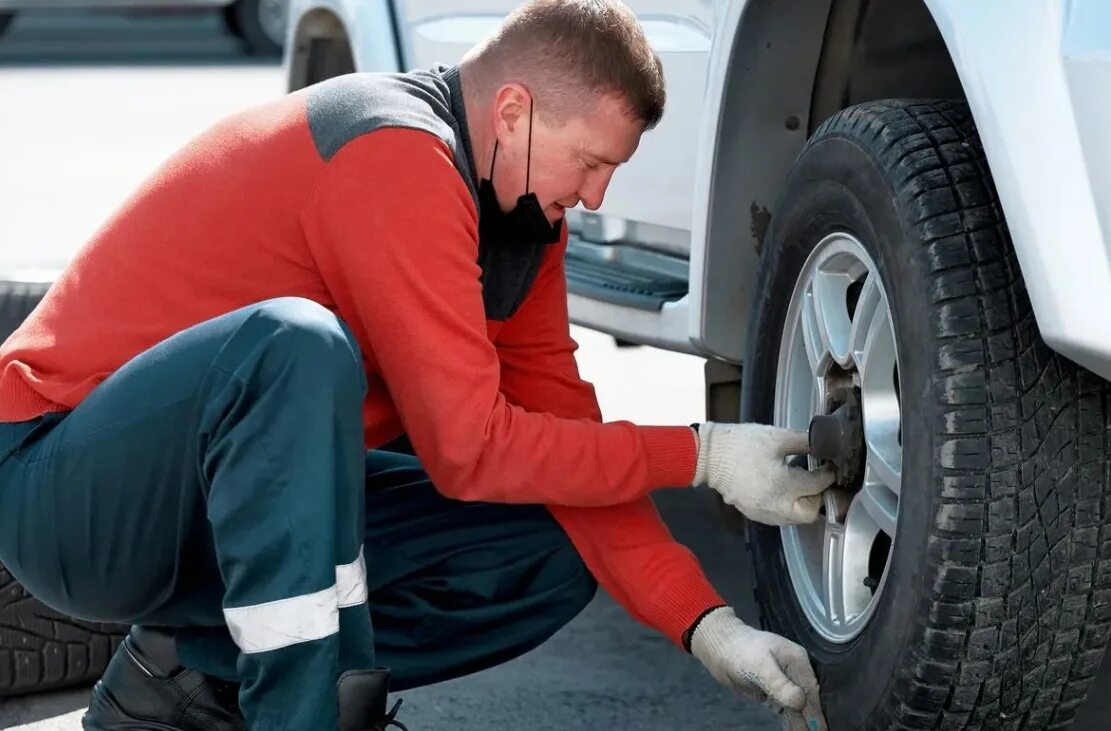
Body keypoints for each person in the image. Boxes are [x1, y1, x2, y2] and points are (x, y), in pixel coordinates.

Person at [0, 0, 833, 728]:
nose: (596, 197)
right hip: (64, 483)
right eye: (588, 162)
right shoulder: (391, 154)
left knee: (548, 545)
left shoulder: (519, 227)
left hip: (210, 503)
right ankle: (300, 717)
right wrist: (704, 453)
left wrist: (707, 623)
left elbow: (564, 444)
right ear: (513, 111)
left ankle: (182, 682)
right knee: (297, 342)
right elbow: (467, 448)